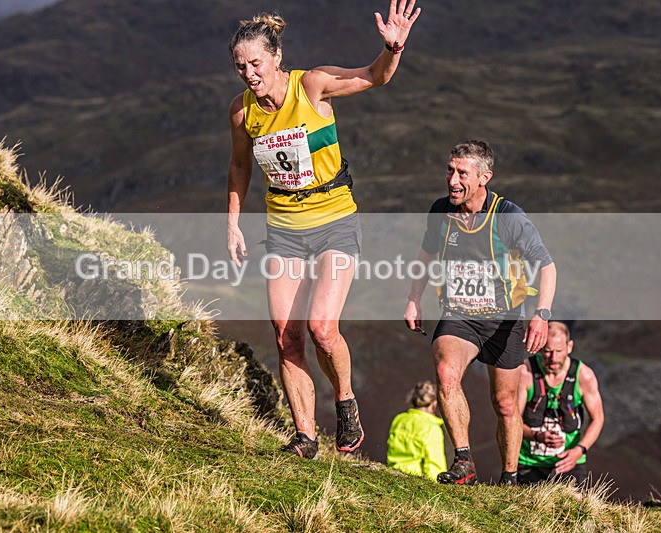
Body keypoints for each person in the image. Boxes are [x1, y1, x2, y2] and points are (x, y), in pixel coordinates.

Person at [226, 2, 421, 459]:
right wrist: (232, 224)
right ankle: (306, 436)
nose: (249, 74)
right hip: (284, 229)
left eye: (255, 63)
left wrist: (392, 48)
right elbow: (239, 165)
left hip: (334, 221)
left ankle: (346, 400)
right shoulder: (241, 113)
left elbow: (375, 76)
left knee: (321, 328)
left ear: (276, 57)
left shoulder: (311, 85)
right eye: (240, 67)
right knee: (284, 333)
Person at [403, 139, 557, 485]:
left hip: (504, 322)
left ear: (484, 177)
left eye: (462, 173)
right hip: (458, 316)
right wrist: (414, 298)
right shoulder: (441, 211)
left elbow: (547, 267)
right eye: (449, 170)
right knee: (445, 373)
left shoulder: (509, 218)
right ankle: (464, 462)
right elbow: (426, 255)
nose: (452, 180)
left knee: (504, 404)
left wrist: (541, 314)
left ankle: (510, 476)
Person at [517, 321, 604, 485]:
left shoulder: (584, 376)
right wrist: (537, 436)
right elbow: (511, 419)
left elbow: (598, 419)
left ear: (569, 347)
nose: (553, 358)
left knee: (575, 508)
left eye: (559, 351)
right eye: (548, 351)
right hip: (528, 462)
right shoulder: (525, 372)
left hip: (570, 463)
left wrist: (579, 451)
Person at [387, 381, 447, 480]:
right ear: (434, 404)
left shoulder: (399, 419)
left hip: (393, 475)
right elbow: (434, 464)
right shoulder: (431, 428)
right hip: (416, 480)